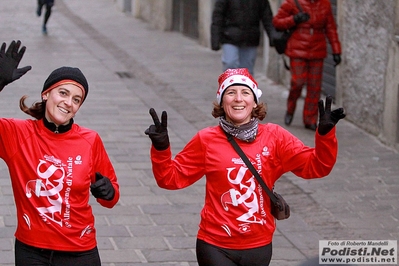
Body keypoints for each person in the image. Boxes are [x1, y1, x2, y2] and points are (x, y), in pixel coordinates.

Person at [145, 67, 345, 266]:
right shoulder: (206, 140)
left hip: (258, 245)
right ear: (222, 102)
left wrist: (325, 135)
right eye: (231, 92)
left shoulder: (275, 137)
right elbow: (170, 179)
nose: (238, 99)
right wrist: (161, 148)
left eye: (245, 92)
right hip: (215, 245)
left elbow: (317, 166)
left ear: (255, 101)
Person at [0, 40, 120, 266]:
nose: (68, 103)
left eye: (76, 99)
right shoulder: (17, 133)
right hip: (31, 251)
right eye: (63, 93)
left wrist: (109, 192)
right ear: (46, 94)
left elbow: (112, 197)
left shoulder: (90, 140)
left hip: (80, 251)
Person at [272, 0, 342, 131]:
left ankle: (310, 119)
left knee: (314, 87)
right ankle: (290, 108)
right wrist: (294, 19)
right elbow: (277, 22)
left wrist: (336, 50)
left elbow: (330, 27)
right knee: (297, 82)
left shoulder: (325, 4)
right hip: (297, 49)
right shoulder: (292, 2)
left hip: (317, 50)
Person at [211, 0, 275, 75]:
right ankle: (231, 84)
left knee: (247, 71)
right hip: (230, 37)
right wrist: (215, 38)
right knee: (230, 63)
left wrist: (272, 35)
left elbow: (267, 17)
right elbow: (218, 16)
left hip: (250, 38)